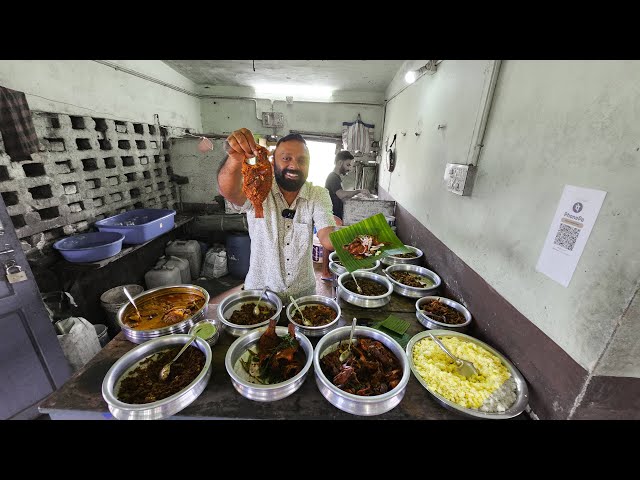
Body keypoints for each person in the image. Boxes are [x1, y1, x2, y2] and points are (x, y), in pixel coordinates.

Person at [217, 128, 336, 301]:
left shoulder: (318, 194)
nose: (294, 166)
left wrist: (361, 241)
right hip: (259, 294)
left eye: (302, 160)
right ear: (273, 162)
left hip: (303, 297)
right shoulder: (259, 185)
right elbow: (229, 191)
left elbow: (327, 238)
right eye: (286, 158)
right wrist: (235, 157)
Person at [320, 150, 370, 280]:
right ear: (340, 162)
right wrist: (358, 191)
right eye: (348, 165)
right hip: (331, 214)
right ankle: (325, 272)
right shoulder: (332, 177)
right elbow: (341, 194)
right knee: (328, 243)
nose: (349, 169)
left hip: (334, 213)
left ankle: (328, 270)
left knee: (332, 242)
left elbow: (340, 195)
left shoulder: (336, 178)